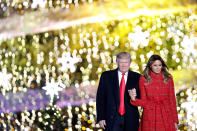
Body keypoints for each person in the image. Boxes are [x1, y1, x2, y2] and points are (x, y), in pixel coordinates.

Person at [128, 55, 179, 131]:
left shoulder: (168, 78)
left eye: (160, 65)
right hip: (150, 115)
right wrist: (133, 99)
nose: (158, 67)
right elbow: (144, 101)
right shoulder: (143, 79)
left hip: (166, 115)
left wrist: (175, 121)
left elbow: (172, 101)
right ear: (150, 66)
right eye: (155, 65)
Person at [96, 52, 141, 131]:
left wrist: (135, 96)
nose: (124, 65)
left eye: (126, 62)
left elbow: (142, 98)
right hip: (111, 119)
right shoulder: (106, 76)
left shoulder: (137, 77)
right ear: (117, 62)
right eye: (121, 62)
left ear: (130, 63)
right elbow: (100, 98)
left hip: (131, 119)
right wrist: (101, 117)